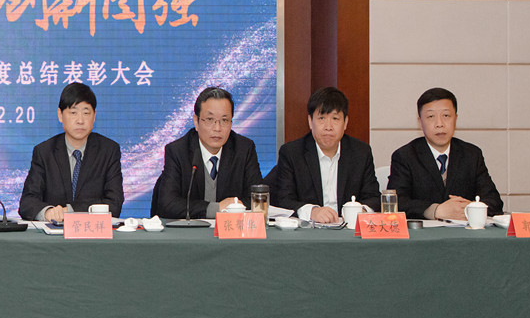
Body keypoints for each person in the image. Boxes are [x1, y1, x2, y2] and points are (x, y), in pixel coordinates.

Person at [265, 86, 381, 221]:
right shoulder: (292, 153)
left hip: (348, 229)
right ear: (310, 121)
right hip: (310, 230)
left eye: (335, 118)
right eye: (321, 118)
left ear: (345, 123)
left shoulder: (361, 152)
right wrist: (312, 211)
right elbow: (283, 199)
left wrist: (361, 210)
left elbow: (374, 197)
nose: (328, 127)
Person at [388, 87, 504, 219]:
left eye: (446, 116)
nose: (439, 124)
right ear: (420, 122)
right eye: (431, 116)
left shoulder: (472, 154)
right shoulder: (405, 156)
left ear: (456, 118)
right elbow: (396, 203)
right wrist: (435, 210)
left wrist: (471, 208)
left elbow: (494, 201)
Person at [153, 86, 263, 219]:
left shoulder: (244, 149)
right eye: (210, 120)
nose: (217, 128)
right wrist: (216, 209)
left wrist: (232, 209)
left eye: (224, 120)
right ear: (196, 122)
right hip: (190, 231)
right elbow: (167, 204)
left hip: (231, 230)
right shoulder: (178, 151)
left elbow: (257, 199)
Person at [18, 82, 124, 220]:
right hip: (54, 231)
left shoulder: (108, 151)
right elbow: (27, 202)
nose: (80, 120)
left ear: (94, 116)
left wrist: (70, 211)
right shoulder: (44, 152)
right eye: (73, 113)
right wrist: (48, 212)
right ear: (60, 115)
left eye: (86, 113)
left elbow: (114, 203)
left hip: (92, 231)